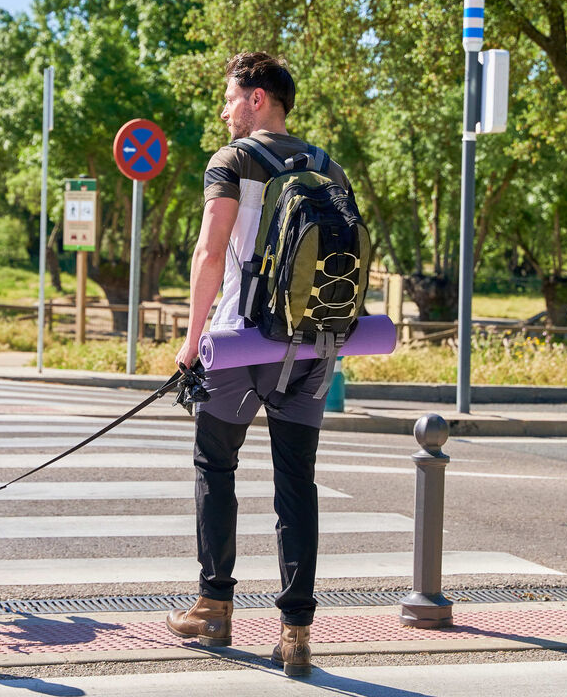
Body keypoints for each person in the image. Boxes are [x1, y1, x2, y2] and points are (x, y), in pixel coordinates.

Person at [165, 51, 353, 678]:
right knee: (296, 482)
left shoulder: (234, 161)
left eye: (229, 96)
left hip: (241, 341)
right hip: (312, 347)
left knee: (215, 464)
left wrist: (192, 341)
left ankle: (214, 606)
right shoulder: (331, 168)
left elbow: (208, 252)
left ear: (256, 97)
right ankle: (296, 631)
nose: (223, 109)